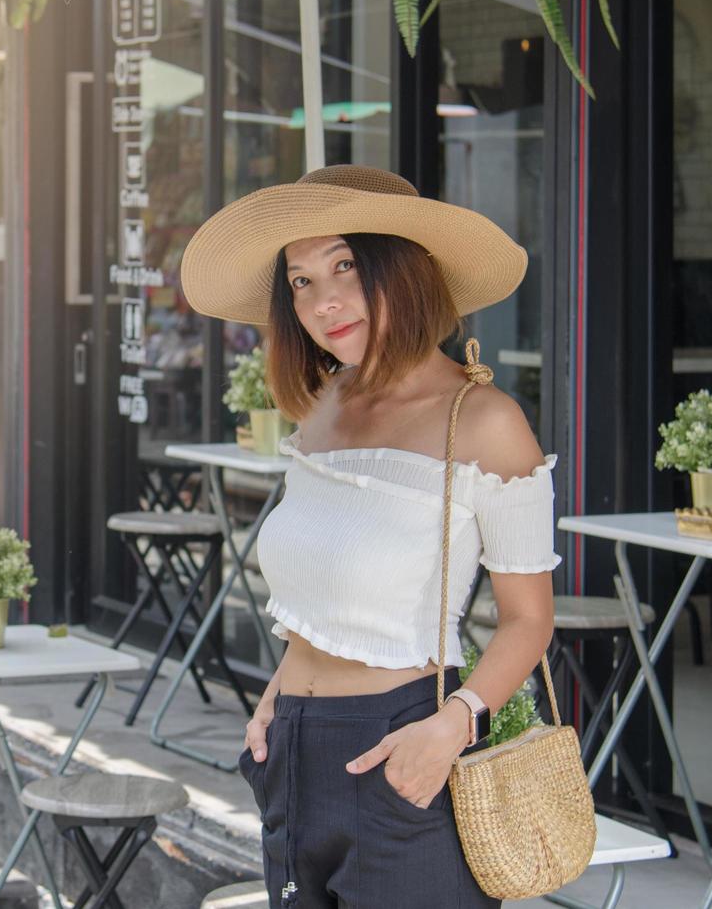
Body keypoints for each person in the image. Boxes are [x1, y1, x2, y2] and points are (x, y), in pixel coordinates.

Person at [180, 165, 559, 908]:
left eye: (345, 266)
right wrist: (278, 692)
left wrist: (454, 725)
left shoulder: (484, 422)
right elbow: (319, 578)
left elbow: (529, 619)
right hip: (292, 746)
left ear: (402, 268)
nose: (323, 302)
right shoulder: (323, 406)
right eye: (300, 282)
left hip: (404, 748)